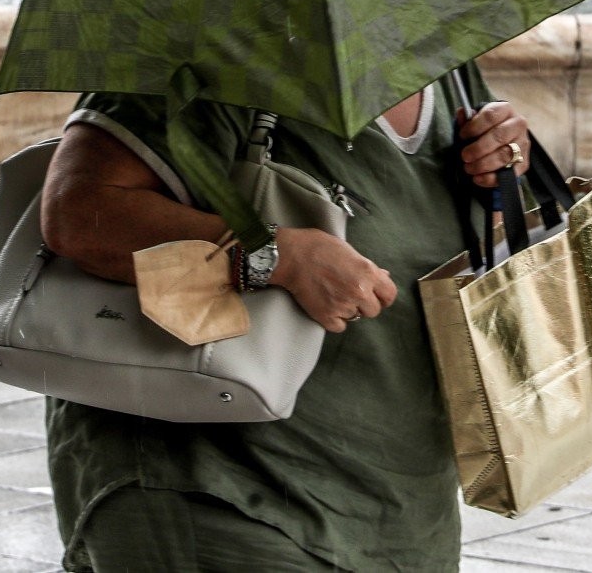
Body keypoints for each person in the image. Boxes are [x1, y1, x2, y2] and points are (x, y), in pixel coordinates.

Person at [37, 66, 535, 572]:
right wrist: (278, 256)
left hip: (394, 504)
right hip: (222, 492)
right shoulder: (206, 41)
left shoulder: (441, 63)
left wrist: (505, 161)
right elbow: (79, 214)